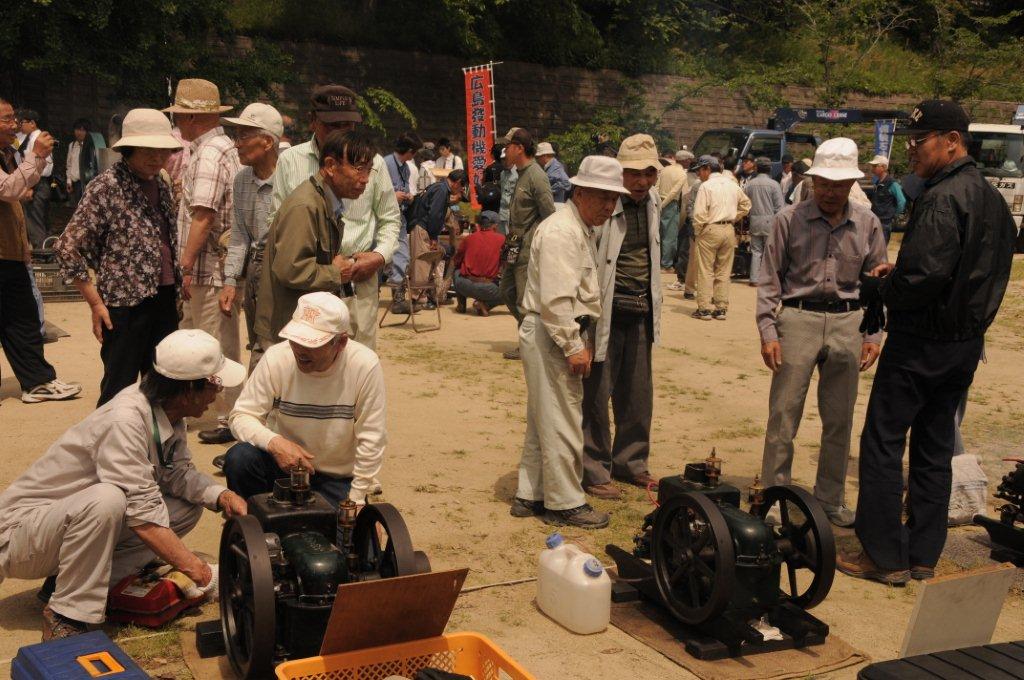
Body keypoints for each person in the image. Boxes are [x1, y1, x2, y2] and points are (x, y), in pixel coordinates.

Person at [840, 100, 1017, 584]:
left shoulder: (942, 197)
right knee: (935, 448)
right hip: (962, 345)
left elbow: (924, 277)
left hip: (921, 343)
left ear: (952, 141)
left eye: (920, 142)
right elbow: (975, 273)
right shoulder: (991, 199)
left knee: (882, 441)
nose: (912, 152)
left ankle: (882, 556)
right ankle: (923, 554)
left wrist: (882, 287)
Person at [0, 329, 247, 641]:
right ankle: (66, 613)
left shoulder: (169, 412)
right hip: (20, 536)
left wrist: (221, 495)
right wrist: (201, 574)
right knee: (109, 500)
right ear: (189, 389)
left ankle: (75, 582)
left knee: (186, 508)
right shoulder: (125, 419)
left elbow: (177, 473)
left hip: (63, 528)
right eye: (214, 383)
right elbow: (143, 516)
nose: (217, 392)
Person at [757, 137, 887, 529]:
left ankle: (830, 498)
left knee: (839, 418)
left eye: (839, 184)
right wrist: (768, 330)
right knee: (783, 415)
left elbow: (878, 282)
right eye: (823, 184)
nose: (830, 192)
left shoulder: (868, 223)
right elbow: (769, 280)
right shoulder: (788, 219)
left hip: (850, 320)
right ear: (812, 181)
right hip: (798, 319)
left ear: (853, 184)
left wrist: (873, 335)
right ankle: (775, 496)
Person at [512, 156, 628, 529]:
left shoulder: (577, 227)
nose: (609, 207)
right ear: (579, 192)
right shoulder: (563, 231)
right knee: (562, 417)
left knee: (542, 417)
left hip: (552, 330)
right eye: (601, 197)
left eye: (613, 200)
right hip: (553, 331)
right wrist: (572, 344)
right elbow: (557, 300)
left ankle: (530, 494)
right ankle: (565, 502)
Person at [56, 109, 182, 406]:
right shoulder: (107, 186)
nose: (156, 157)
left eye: (162, 150)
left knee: (163, 385)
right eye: (147, 150)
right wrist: (95, 303)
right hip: (124, 305)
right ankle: (108, 449)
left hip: (163, 298)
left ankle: (157, 449)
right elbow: (67, 247)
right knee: (119, 390)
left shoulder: (161, 185)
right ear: (129, 149)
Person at [225, 292, 385, 507]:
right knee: (240, 458)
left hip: (336, 478)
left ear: (341, 342)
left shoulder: (364, 365)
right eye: (295, 341)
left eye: (312, 344)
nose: (300, 351)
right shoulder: (277, 357)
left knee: (354, 538)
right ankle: (255, 524)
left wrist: (357, 500)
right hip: (283, 468)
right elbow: (241, 416)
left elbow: (371, 437)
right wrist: (275, 443)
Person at [271, 84, 401, 349]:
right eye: (333, 125)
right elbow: (275, 222)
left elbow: (390, 219)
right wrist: (322, 269)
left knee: (356, 361)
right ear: (312, 122)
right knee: (306, 361)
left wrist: (378, 257)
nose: (341, 133)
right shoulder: (290, 161)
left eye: (348, 126)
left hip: (358, 283)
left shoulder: (372, 163)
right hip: (306, 286)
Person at [582, 135, 663, 500]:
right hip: (607, 311)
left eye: (650, 173)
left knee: (637, 393)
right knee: (597, 394)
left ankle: (631, 462)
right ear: (620, 172)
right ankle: (594, 468)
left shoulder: (654, 203)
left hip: (641, 308)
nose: (643, 182)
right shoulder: (604, 205)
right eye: (634, 174)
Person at [166, 78, 243, 445]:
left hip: (208, 268)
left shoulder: (210, 152)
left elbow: (203, 215)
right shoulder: (218, 147)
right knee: (204, 339)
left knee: (216, 345)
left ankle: (232, 417)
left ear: (192, 116)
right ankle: (221, 412)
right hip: (212, 266)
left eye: (180, 113)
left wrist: (183, 263)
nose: (178, 119)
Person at [254, 130, 372, 349]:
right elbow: (291, 269)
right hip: (285, 333)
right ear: (330, 166)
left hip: (300, 329)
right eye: (358, 168)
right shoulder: (306, 206)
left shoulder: (326, 202)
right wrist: (337, 273)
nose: (365, 179)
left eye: (368, 169)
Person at [0, 96, 81, 403]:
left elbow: (22, 185)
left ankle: (37, 382)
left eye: (14, 120)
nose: (14, 125)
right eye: (7, 120)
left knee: (22, 319)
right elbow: (7, 190)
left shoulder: (7, 153)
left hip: (10, 251)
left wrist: (41, 159)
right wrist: (34, 156)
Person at [218, 102, 284, 381]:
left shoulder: (289, 177)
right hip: (256, 273)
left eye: (244, 136)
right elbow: (240, 235)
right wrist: (231, 280)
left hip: (283, 269)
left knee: (275, 345)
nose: (236, 144)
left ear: (267, 141)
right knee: (258, 341)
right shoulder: (242, 179)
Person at [497, 127, 556, 360]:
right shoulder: (520, 173)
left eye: (508, 146)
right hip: (514, 244)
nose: (505, 151)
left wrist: (537, 244)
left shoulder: (536, 176)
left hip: (527, 247)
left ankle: (529, 345)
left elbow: (549, 214)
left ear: (519, 148)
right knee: (507, 291)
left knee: (524, 299)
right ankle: (529, 338)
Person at [691, 154, 751, 320]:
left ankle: (704, 308)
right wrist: (734, 217)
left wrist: (699, 231)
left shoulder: (706, 186)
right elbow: (746, 205)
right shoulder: (732, 184)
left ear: (708, 169)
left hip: (710, 228)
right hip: (728, 230)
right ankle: (721, 308)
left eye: (700, 170)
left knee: (705, 270)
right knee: (724, 271)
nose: (698, 174)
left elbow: (699, 214)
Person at [407, 169, 467, 306]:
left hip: (422, 228)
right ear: (457, 183)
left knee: (427, 263)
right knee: (422, 263)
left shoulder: (439, 187)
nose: (460, 190)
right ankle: (415, 300)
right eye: (461, 187)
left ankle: (425, 296)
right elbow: (435, 215)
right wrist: (434, 237)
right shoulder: (441, 190)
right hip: (423, 229)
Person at [384, 132, 423, 315]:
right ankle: (396, 299)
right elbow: (372, 190)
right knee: (392, 255)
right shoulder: (385, 164)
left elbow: (406, 189)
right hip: (383, 216)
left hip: (399, 216)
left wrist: (407, 196)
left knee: (401, 255)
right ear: (409, 151)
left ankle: (398, 297)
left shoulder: (406, 168)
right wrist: (393, 195)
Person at [453, 210, 505, 315]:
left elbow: (457, 260)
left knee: (457, 271)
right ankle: (485, 305)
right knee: (508, 293)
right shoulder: (502, 239)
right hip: (489, 288)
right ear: (495, 226)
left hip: (465, 285)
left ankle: (461, 305)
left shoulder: (468, 238)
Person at [744, 156, 784, 286]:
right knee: (770, 252)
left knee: (756, 251)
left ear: (756, 168)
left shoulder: (750, 184)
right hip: (770, 221)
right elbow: (779, 207)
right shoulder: (774, 184)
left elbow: (745, 203)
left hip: (754, 220)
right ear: (769, 169)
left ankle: (754, 279)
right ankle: (768, 278)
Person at [16, 110, 53, 249]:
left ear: (32, 123)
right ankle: (45, 251)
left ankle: (42, 253)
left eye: (22, 123)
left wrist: (30, 187)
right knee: (37, 219)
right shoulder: (28, 138)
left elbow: (43, 166)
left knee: (35, 221)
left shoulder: (39, 139)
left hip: (37, 184)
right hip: (33, 182)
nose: (20, 126)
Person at [657, 149, 689, 271]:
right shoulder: (682, 174)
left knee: (660, 233)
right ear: (686, 161)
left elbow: (657, 186)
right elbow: (674, 192)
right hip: (670, 204)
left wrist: (658, 203)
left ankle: (659, 261)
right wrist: (664, 204)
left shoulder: (665, 170)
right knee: (670, 237)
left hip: (660, 201)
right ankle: (666, 264)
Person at [868, 154, 907, 243]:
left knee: (881, 251)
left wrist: (893, 214)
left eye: (875, 166)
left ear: (884, 167)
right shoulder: (877, 182)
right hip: (875, 221)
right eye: (872, 166)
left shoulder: (892, 184)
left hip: (884, 224)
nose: (872, 168)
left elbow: (902, 201)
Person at [65, 118, 101, 206]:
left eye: (83, 130)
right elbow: (69, 165)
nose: (79, 132)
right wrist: (69, 181)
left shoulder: (92, 147)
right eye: (77, 129)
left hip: (87, 183)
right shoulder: (72, 145)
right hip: (75, 184)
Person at [497, 147, 517, 235]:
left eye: (506, 159)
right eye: (502, 159)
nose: (504, 162)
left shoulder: (518, 173)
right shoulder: (502, 174)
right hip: (502, 211)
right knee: (502, 238)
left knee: (512, 238)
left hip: (513, 212)